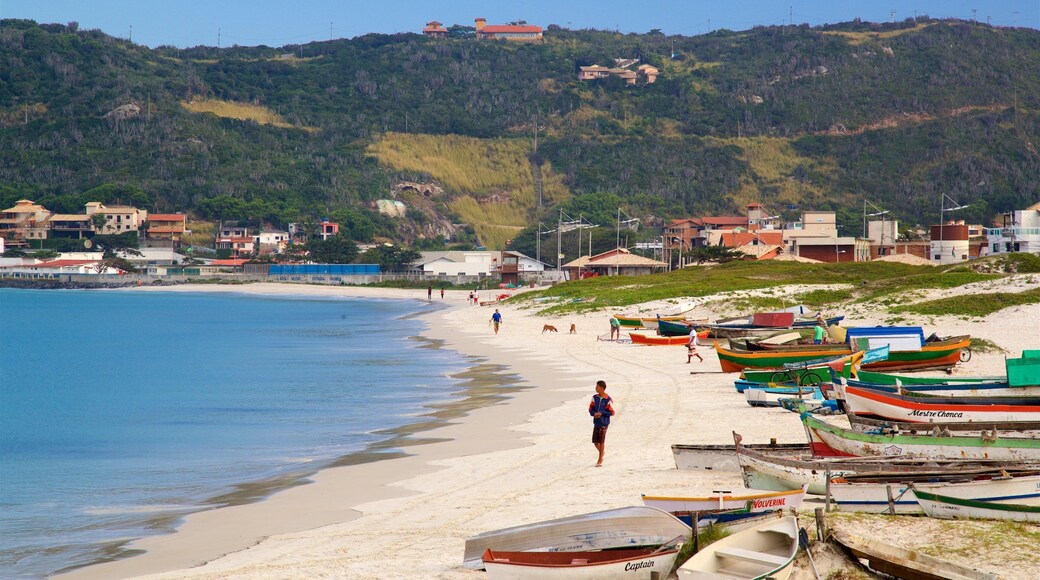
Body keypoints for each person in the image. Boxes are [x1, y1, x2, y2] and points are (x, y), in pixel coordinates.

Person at [588, 380, 614, 467]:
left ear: (602, 388)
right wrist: (594, 414)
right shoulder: (594, 397)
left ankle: (600, 460)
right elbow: (590, 409)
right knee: (595, 442)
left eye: (597, 387)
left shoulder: (608, 399)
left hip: (604, 423)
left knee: (601, 441)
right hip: (596, 422)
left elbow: (612, 412)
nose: (595, 388)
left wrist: (602, 413)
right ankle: (602, 453)